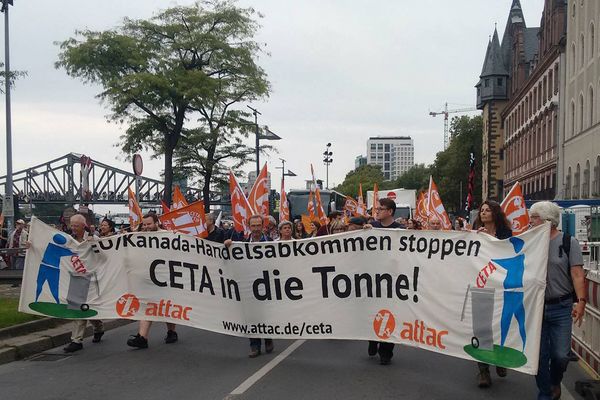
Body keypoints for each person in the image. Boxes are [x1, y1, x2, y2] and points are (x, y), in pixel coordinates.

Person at [530, 201, 586, 400]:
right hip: (535, 307)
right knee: (539, 356)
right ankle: (545, 393)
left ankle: (555, 381)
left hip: (561, 307)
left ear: (548, 220)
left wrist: (581, 301)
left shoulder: (569, 242)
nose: (530, 221)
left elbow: (578, 274)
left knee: (561, 356)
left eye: (534, 217)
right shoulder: (529, 241)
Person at [471, 200, 513, 387]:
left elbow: (509, 254)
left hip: (501, 286)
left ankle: (500, 360)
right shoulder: (475, 232)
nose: (484, 213)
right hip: (481, 286)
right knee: (481, 329)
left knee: (500, 327)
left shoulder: (506, 234)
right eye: (482, 210)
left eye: (488, 210)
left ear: (495, 213)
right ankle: (483, 371)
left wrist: (491, 238)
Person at [127, 213, 179, 349]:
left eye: (149, 224)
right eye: (144, 224)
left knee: (166, 306)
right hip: (147, 278)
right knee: (146, 305)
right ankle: (142, 337)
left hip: (165, 278)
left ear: (157, 223)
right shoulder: (141, 237)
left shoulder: (167, 235)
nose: (146, 227)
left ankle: (172, 331)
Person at [225, 215, 274, 357]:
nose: (256, 228)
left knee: (266, 314)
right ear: (249, 226)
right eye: (253, 226)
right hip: (250, 286)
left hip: (268, 285)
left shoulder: (271, 243)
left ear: (263, 226)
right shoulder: (242, 244)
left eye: (259, 225)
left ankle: (268, 338)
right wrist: (228, 245)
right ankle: (255, 345)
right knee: (252, 315)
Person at [366, 198, 404, 365]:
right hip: (373, 279)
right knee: (373, 312)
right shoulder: (372, 228)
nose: (377, 211)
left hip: (393, 280)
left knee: (391, 314)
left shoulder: (400, 230)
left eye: (381, 209)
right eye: (377, 208)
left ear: (390, 212)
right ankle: (372, 339)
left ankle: (386, 351)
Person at [64, 214, 104, 353]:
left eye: (76, 226)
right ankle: (76, 340)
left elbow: (102, 256)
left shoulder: (94, 239)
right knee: (77, 308)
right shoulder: (68, 240)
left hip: (92, 278)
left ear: (83, 226)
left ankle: (98, 327)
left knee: (88, 307)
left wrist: (93, 243)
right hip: (76, 277)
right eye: (72, 225)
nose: (73, 228)